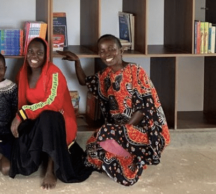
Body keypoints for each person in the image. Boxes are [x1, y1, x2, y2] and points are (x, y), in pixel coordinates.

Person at [57, 34, 171, 186]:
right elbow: (84, 81)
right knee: (92, 147)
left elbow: (143, 109)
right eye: (103, 51)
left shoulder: (135, 71)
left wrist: (121, 133)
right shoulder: (106, 75)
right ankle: (126, 157)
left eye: (111, 49)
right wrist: (77, 61)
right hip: (119, 131)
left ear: (121, 50)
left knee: (104, 133)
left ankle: (138, 158)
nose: (107, 54)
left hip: (145, 131)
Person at [10, 37, 93, 190]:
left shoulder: (54, 74)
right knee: (23, 167)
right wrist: (20, 117)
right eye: (31, 52)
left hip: (59, 122)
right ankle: (38, 155)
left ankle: (51, 168)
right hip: (37, 118)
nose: (34, 57)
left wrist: (22, 114)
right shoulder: (22, 73)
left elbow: (52, 104)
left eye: (39, 53)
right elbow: (23, 102)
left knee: (48, 117)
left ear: (46, 55)